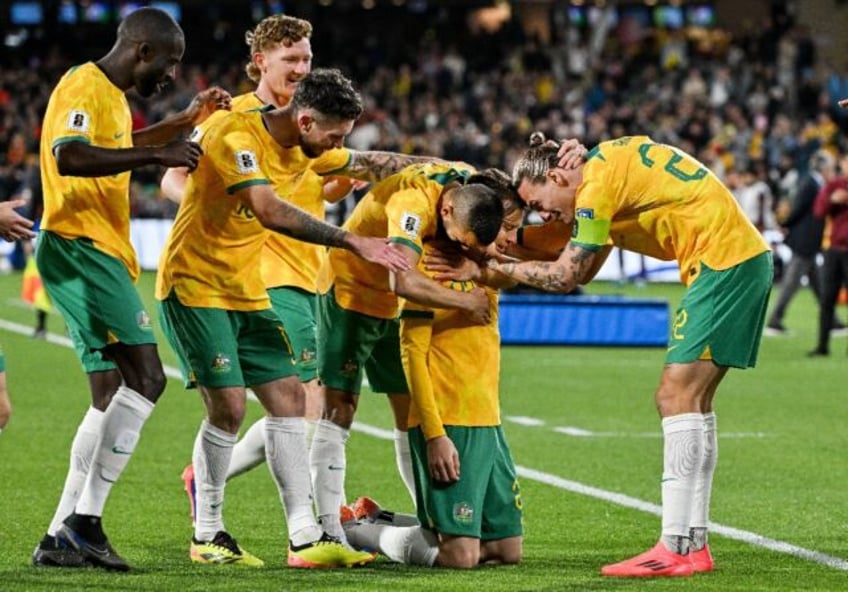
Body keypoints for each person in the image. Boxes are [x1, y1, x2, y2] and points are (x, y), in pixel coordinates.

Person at [155, 68, 454, 568]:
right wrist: (354, 240)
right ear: (307, 120)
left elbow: (370, 163)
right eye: (334, 134)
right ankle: (207, 532)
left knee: (290, 399)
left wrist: (448, 168)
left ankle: (304, 536)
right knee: (227, 407)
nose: (338, 144)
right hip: (194, 283)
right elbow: (268, 209)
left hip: (246, 288)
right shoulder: (236, 132)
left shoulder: (307, 144)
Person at [488, 133, 772, 578]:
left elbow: (568, 276)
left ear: (559, 175)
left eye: (538, 202)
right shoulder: (605, 174)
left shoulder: (597, 186)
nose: (542, 214)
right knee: (692, 402)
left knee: (675, 397)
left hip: (723, 264)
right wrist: (498, 244)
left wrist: (489, 267)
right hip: (736, 260)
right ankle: (691, 543)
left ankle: (676, 545)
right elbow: (575, 248)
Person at [31, 7, 231, 571]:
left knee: (110, 390)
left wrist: (183, 120)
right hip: (82, 246)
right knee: (147, 377)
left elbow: (124, 142)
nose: (171, 74)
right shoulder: (84, 84)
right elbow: (69, 156)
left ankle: (59, 535)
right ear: (143, 51)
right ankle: (84, 523)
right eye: (170, 63)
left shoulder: (112, 100)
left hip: (92, 250)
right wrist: (156, 155)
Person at [161, 15, 361, 508]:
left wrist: (336, 184)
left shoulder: (315, 117)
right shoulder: (235, 116)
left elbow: (316, 185)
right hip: (262, 272)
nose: (301, 67)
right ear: (260, 62)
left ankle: (213, 478)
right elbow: (173, 179)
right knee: (305, 396)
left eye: (307, 59)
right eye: (290, 59)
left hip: (311, 269)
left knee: (308, 397)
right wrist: (217, 209)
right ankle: (316, 519)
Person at [309, 161, 505, 545]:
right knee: (340, 408)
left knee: (410, 410)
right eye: (459, 239)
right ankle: (329, 531)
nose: (460, 248)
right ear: (446, 211)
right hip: (352, 292)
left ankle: (432, 521)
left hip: (396, 307)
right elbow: (401, 279)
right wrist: (464, 302)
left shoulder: (467, 186)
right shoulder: (412, 205)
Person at [766, 150, 839, 335]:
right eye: (830, 167)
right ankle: (774, 321)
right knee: (791, 284)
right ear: (823, 168)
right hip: (804, 243)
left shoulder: (816, 183)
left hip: (810, 243)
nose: (832, 171)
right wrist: (785, 224)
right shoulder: (811, 184)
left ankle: (833, 321)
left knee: (820, 285)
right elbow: (797, 208)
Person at [809, 151, 848, 356]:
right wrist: (832, 200)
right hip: (834, 250)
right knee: (827, 299)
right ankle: (822, 346)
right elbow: (818, 211)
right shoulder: (835, 185)